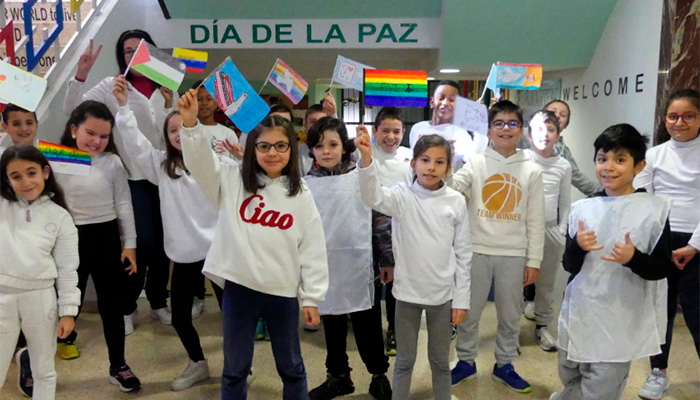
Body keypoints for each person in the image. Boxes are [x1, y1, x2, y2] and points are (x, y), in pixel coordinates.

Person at [178, 90, 329, 400]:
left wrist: (312, 297)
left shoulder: (301, 194)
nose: (272, 153)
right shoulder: (232, 180)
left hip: (282, 291)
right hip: (240, 287)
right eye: (263, 146)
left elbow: (313, 248)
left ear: (291, 149)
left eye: (280, 146)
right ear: (252, 149)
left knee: (291, 366)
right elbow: (200, 163)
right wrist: (191, 126)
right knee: (235, 368)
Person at [113, 76, 226, 391]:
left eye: (183, 128)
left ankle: (238, 363)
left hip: (218, 252)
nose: (178, 135)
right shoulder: (161, 166)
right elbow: (135, 142)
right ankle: (198, 362)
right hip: (185, 254)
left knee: (232, 314)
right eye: (171, 130)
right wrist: (123, 107)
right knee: (179, 317)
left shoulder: (212, 162)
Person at [63, 33, 175, 333]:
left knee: (165, 245)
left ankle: (158, 302)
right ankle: (127, 305)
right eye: (128, 51)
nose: (134, 55)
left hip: (165, 177)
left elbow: (168, 132)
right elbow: (71, 112)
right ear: (121, 56)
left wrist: (168, 105)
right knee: (143, 245)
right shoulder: (112, 86)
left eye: (140, 49)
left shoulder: (167, 85)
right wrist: (81, 75)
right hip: (133, 178)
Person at [551, 124, 673, 400]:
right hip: (581, 309)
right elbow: (569, 265)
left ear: (639, 166)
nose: (608, 167)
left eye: (619, 159)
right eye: (602, 158)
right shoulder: (583, 209)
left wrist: (634, 259)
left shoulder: (654, 211)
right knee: (570, 372)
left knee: (602, 385)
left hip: (620, 315)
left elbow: (662, 268)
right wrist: (578, 246)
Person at [357, 132, 471, 400]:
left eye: (439, 162)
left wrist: (461, 300)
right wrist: (366, 160)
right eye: (425, 160)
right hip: (407, 294)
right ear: (413, 163)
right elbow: (372, 196)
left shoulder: (455, 201)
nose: (431, 167)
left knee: (440, 362)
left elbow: (464, 253)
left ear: (448, 167)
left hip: (442, 296)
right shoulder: (402, 195)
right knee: (404, 361)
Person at [450, 100, 544, 393]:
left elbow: (535, 219)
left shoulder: (532, 170)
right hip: (476, 250)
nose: (505, 129)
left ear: (522, 130)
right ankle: (465, 361)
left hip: (513, 254)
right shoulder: (476, 163)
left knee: (510, 315)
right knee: (468, 312)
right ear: (489, 130)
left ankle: (504, 364)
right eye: (499, 123)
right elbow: (450, 188)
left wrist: (534, 261)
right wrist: (447, 161)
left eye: (512, 123)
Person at [56, 100, 141, 392]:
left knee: (112, 306)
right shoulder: (57, 158)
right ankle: (37, 359)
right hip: (70, 239)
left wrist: (130, 245)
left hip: (106, 238)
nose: (96, 141)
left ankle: (118, 365)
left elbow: (124, 204)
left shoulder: (112, 162)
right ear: (73, 130)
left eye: (104, 136)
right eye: (90, 133)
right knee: (69, 303)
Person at [304, 117, 391, 400]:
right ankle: (339, 375)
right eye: (319, 146)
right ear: (312, 150)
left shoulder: (361, 175)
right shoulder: (306, 184)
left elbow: (379, 216)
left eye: (333, 144)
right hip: (325, 265)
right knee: (332, 323)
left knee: (367, 324)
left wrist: (387, 258)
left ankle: (378, 374)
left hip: (360, 264)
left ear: (345, 146)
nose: (326, 151)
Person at [634, 89, 700, 400]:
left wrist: (695, 245)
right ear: (665, 119)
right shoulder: (654, 155)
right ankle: (658, 371)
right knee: (660, 310)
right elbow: (643, 198)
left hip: (696, 242)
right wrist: (656, 241)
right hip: (661, 240)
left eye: (689, 116)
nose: (680, 122)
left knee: (697, 311)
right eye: (673, 116)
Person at [0, 145, 80, 400]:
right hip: (2, 296)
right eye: (16, 176)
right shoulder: (2, 206)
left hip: (41, 298)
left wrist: (68, 312)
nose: (26, 182)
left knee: (43, 369)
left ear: (45, 172)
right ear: (7, 180)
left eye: (31, 172)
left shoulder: (60, 217)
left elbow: (68, 269)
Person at [355, 108, 413, 355]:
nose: (391, 136)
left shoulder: (410, 156)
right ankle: (370, 331)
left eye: (396, 131)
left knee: (395, 284)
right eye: (385, 131)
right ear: (375, 131)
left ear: (403, 132)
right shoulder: (365, 152)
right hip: (368, 225)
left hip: (399, 227)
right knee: (371, 280)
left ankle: (394, 330)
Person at [522, 110, 572, 352]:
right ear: (529, 135)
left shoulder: (563, 165)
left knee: (546, 282)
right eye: (539, 129)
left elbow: (565, 202)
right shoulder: (521, 159)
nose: (545, 134)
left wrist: (561, 231)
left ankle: (542, 326)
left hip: (550, 229)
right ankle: (509, 332)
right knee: (514, 282)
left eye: (551, 129)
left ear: (558, 135)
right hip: (521, 230)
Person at [190, 79, 238, 319]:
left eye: (209, 99)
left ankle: (227, 307)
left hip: (221, 201)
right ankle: (197, 297)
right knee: (196, 255)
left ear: (218, 103)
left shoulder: (227, 133)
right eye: (199, 99)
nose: (204, 103)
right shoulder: (188, 130)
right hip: (194, 201)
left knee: (220, 255)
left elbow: (236, 166)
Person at [408, 80, 484, 171]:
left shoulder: (459, 133)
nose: (445, 103)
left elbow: (474, 157)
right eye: (441, 98)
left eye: (452, 100)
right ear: (432, 102)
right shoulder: (417, 128)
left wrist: (479, 125)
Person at [543, 100, 602, 196]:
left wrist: (604, 191)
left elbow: (575, 175)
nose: (557, 116)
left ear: (566, 124)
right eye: (553, 112)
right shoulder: (523, 136)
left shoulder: (563, 151)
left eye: (562, 115)